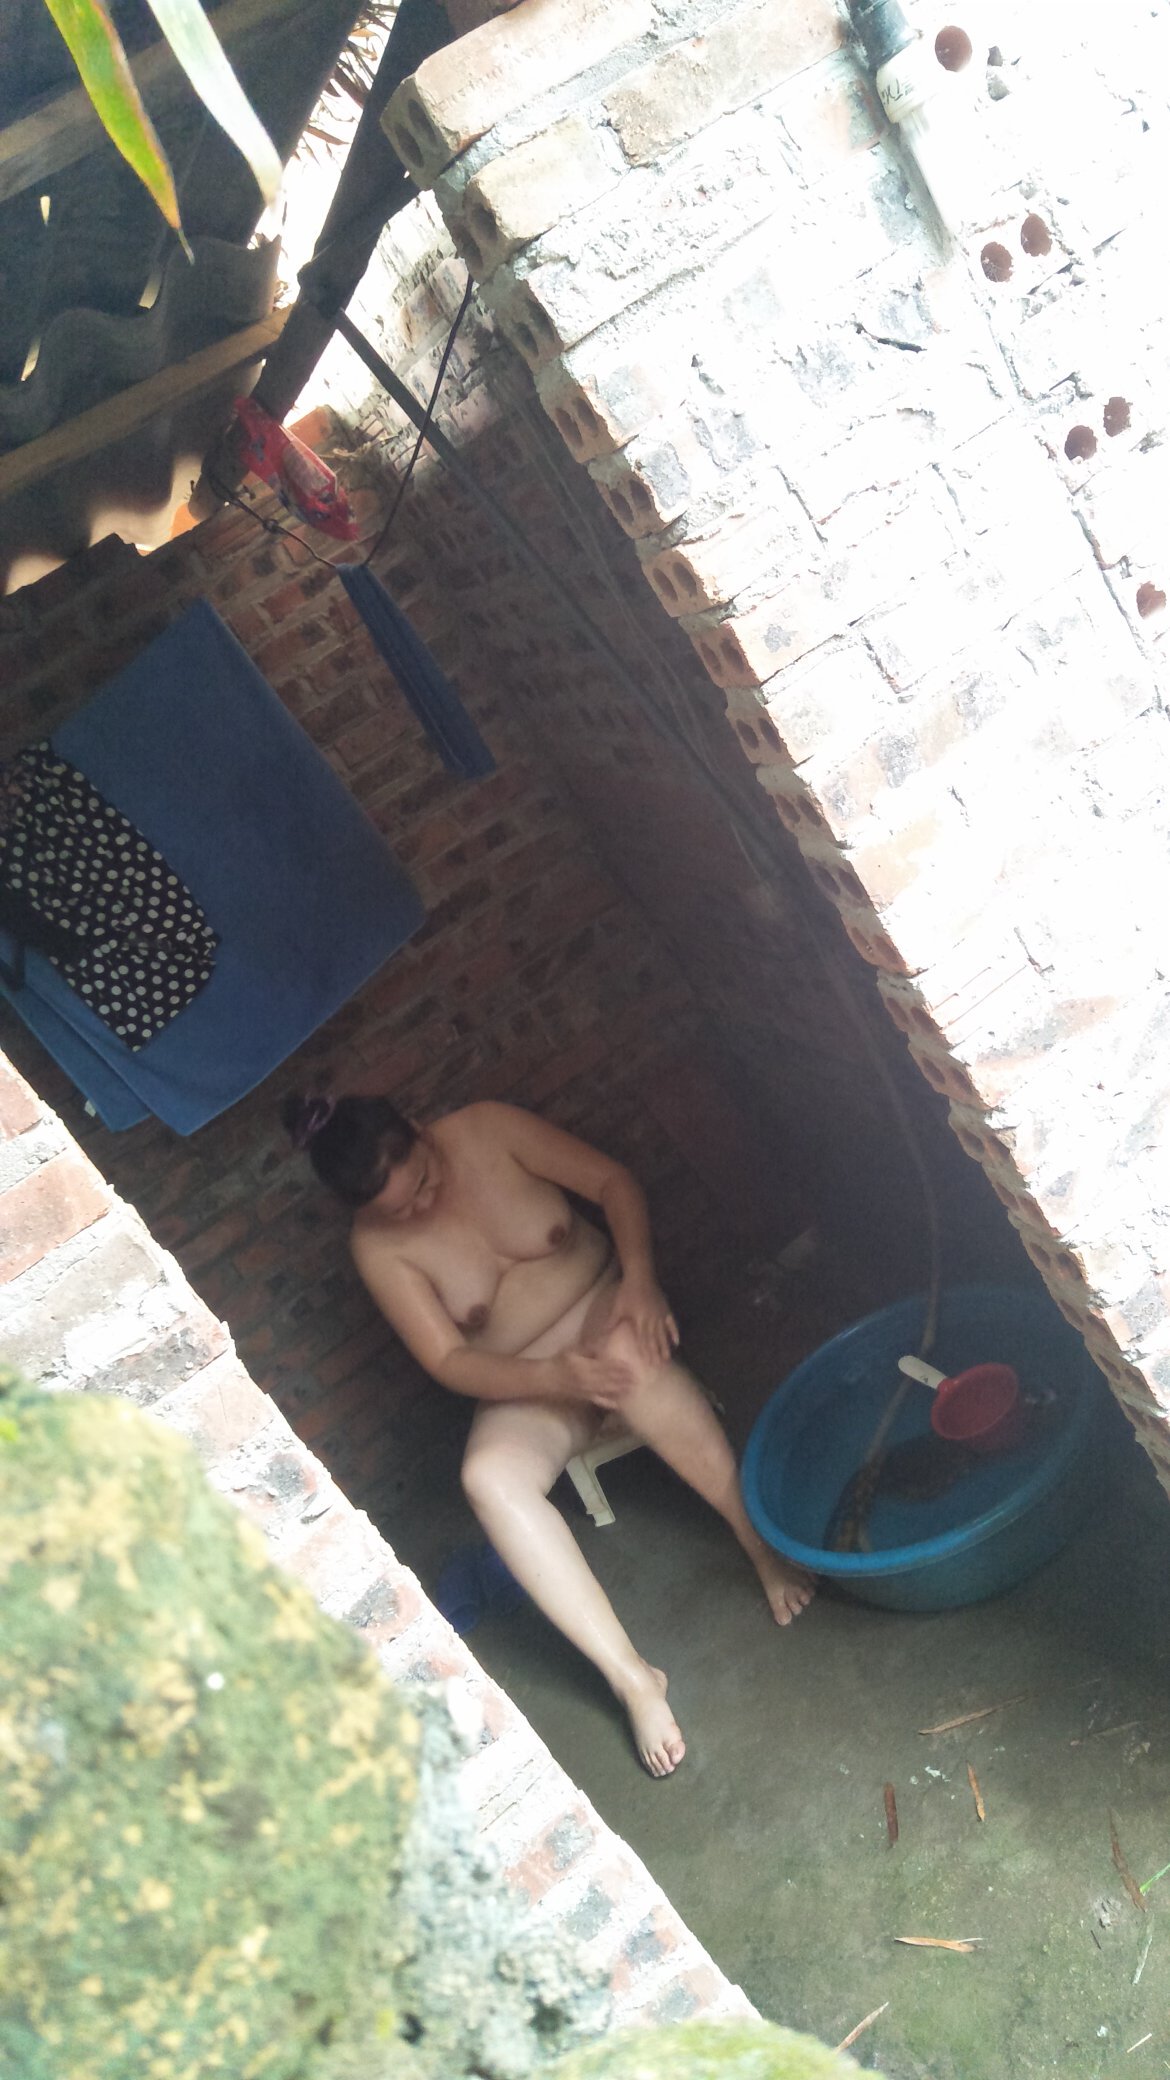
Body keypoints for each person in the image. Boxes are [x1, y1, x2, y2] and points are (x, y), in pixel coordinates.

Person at [284, 1091, 815, 1777]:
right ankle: (632, 1677)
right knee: (488, 1480)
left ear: (418, 1130)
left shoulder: (486, 1129)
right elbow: (449, 1360)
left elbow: (613, 1183)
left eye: (423, 1182)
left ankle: (756, 1538)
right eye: (399, 1209)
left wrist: (641, 1281)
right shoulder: (377, 1246)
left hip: (605, 1311)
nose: (422, 1206)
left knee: (625, 1363)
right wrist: (554, 1377)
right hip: (529, 1379)